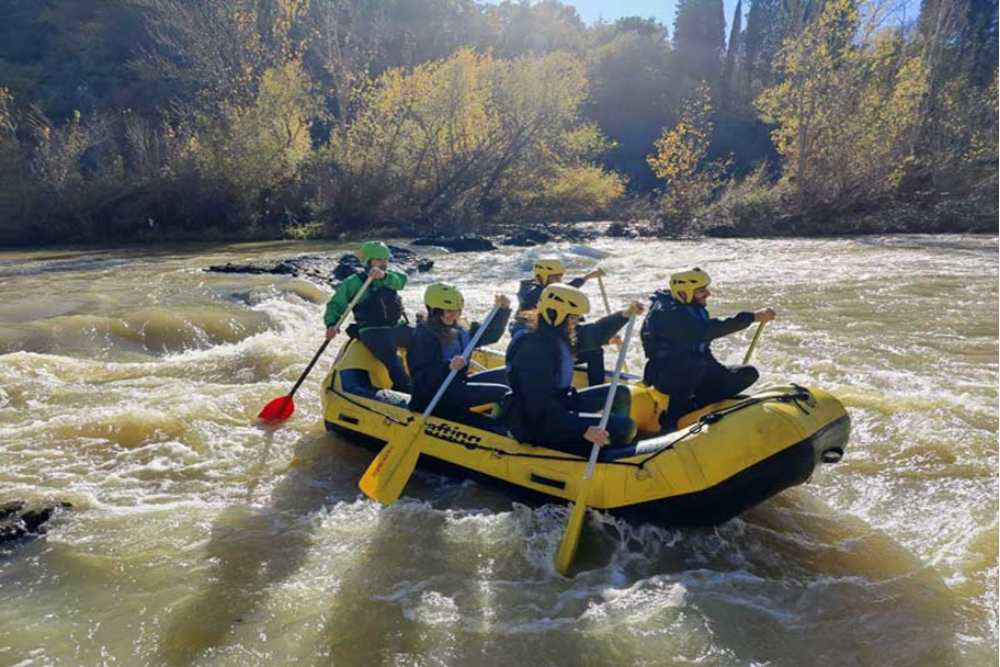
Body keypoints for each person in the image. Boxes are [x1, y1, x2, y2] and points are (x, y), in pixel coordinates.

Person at [504, 284, 644, 454]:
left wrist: (624, 315)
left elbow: (593, 334)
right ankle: (606, 453)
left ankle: (605, 441)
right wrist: (581, 429)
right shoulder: (534, 349)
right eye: (573, 318)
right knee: (625, 427)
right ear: (554, 314)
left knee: (620, 392)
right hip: (536, 421)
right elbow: (538, 405)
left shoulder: (556, 333)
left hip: (559, 404)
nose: (576, 322)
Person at [640, 267, 776, 432]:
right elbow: (703, 331)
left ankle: (696, 405)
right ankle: (671, 420)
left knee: (748, 373)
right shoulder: (665, 314)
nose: (708, 294)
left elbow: (702, 350)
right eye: (701, 291)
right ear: (684, 293)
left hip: (697, 370)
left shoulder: (692, 306)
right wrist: (751, 318)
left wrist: (720, 375)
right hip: (667, 376)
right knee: (693, 364)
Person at [408, 283, 512, 424]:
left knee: (508, 373)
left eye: (457, 311)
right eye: (449, 311)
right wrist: (448, 367)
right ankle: (498, 428)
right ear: (434, 310)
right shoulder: (423, 335)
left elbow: (490, 335)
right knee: (503, 392)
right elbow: (422, 377)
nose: (454, 315)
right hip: (434, 395)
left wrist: (503, 311)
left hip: (457, 383)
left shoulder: (459, 328)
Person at [324, 241, 413, 392]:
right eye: (379, 260)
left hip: (397, 326)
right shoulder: (352, 282)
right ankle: (407, 391)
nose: (383, 263)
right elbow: (335, 305)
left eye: (385, 260)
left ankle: (431, 380)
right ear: (368, 262)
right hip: (372, 330)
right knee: (393, 359)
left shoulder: (391, 276)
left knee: (425, 341)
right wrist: (331, 324)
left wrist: (383, 276)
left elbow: (401, 282)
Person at [511, 257, 610, 386]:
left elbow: (566, 291)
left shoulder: (549, 292)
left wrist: (588, 277)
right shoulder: (531, 293)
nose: (559, 281)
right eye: (556, 277)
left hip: (553, 342)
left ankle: (597, 390)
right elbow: (566, 291)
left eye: (560, 277)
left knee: (595, 351)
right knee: (593, 351)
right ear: (542, 276)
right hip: (538, 351)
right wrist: (587, 276)